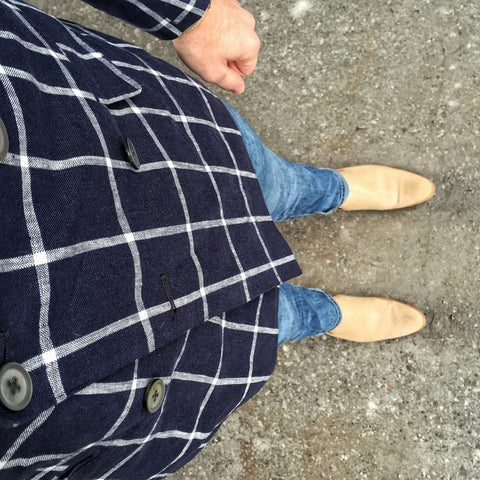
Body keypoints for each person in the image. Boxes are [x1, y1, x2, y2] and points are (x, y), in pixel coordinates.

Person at [0, 0, 434, 478]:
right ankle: (322, 313)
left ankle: (322, 189)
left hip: (80, 145)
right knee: (258, 324)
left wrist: (183, 11)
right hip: (97, 391)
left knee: (254, 178)